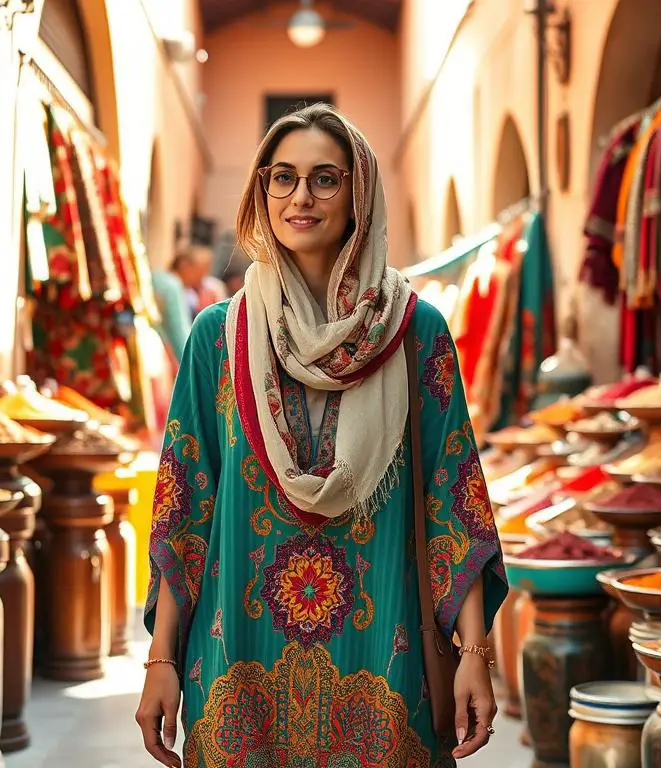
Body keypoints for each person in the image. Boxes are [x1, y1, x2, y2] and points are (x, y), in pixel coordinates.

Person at [137, 104, 507, 767]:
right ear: (260, 192)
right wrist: (161, 659)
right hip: (236, 664)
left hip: (386, 666)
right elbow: (182, 509)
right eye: (282, 177)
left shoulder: (415, 333)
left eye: (325, 178)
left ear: (359, 194)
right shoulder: (217, 339)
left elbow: (454, 502)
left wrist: (474, 654)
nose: (300, 196)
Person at [172, 244, 227, 318]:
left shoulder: (213, 287)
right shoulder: (177, 288)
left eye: (205, 269)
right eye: (199, 270)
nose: (202, 274)